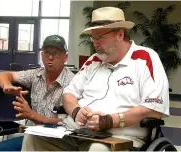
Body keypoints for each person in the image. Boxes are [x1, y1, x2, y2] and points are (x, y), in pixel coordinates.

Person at [21, 7, 169, 151]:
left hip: (120, 137)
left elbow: (153, 110)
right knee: (33, 137)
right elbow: (68, 95)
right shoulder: (93, 61)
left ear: (120, 34)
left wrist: (110, 121)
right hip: (76, 132)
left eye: (100, 37)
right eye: (93, 38)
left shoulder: (145, 58)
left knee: (98, 149)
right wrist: (76, 111)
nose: (95, 43)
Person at [0, 35, 74, 151]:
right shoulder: (35, 74)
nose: (50, 57)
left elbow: (70, 124)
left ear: (65, 57)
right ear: (42, 55)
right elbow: (2, 75)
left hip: (60, 141)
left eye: (56, 54)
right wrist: (7, 86)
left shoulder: (73, 83)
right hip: (33, 135)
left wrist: (32, 115)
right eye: (47, 52)